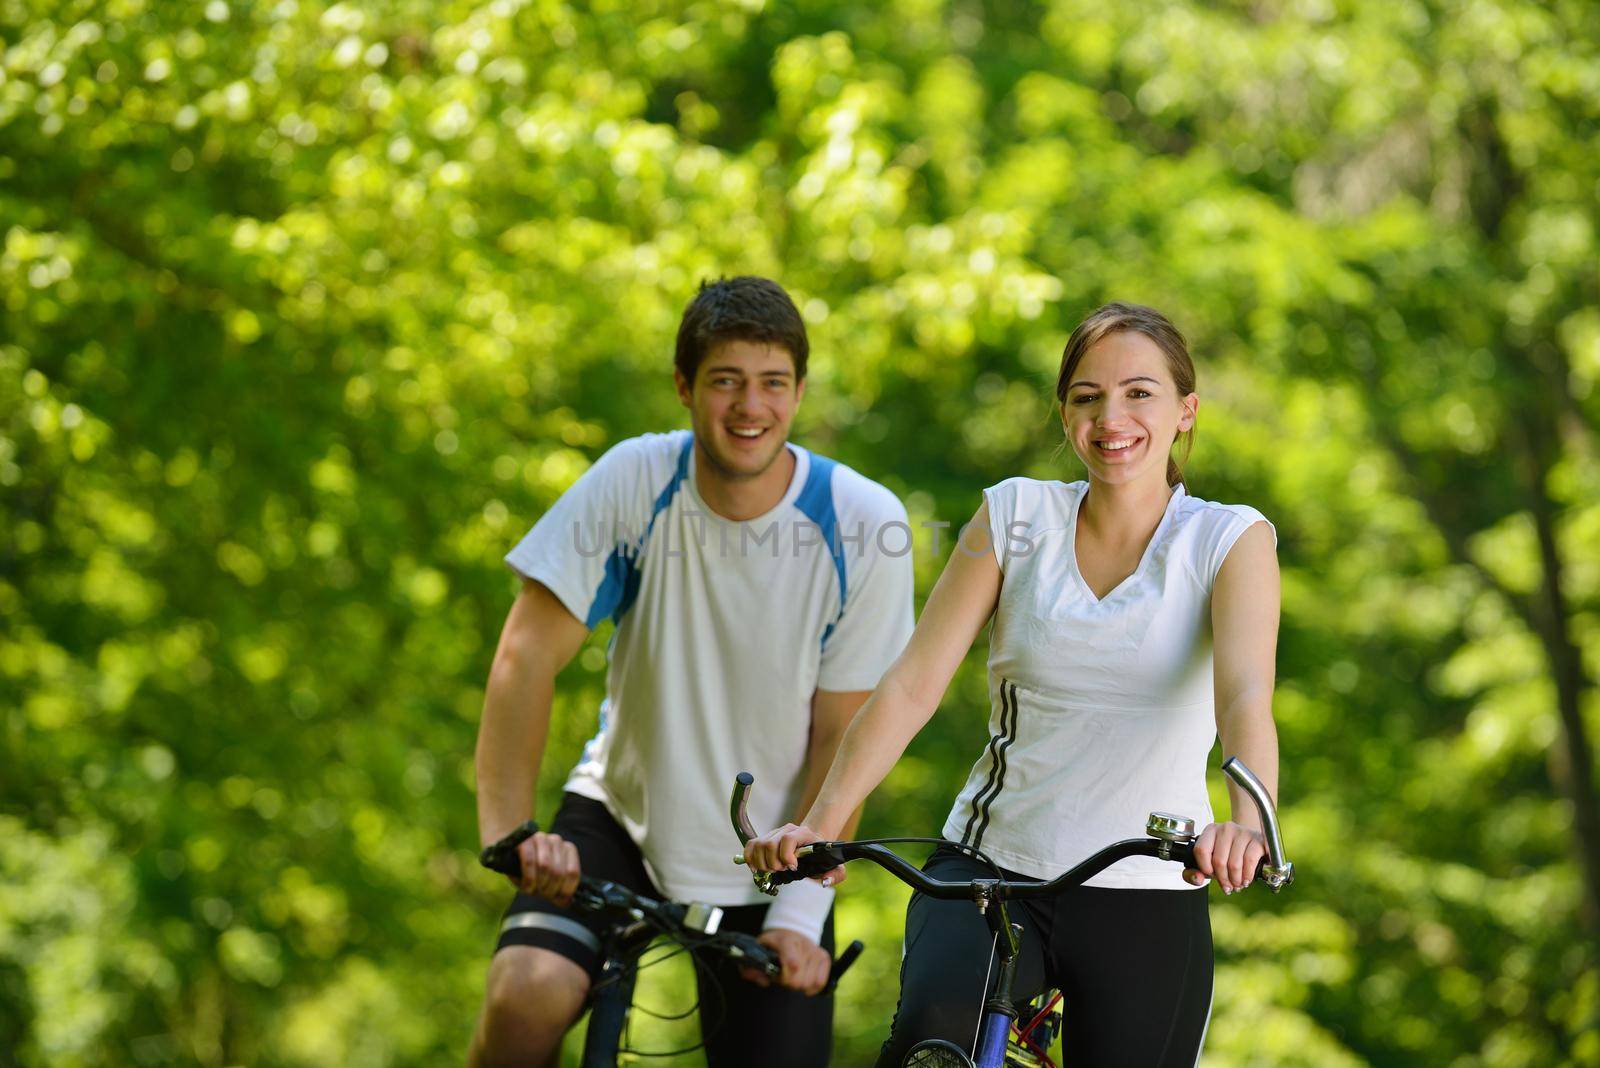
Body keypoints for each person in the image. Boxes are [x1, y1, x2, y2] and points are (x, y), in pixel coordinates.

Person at [742, 302, 1282, 1066]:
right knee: (933, 1040)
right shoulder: (1016, 514)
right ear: (1065, 414)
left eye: (1139, 393)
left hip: (1151, 882)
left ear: (1186, 410)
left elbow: (1244, 698)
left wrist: (1248, 825)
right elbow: (910, 686)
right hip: (991, 872)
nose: (1110, 417)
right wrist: (821, 824)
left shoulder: (1228, 539)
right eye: (1087, 396)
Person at [468, 276, 916, 1068]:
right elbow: (526, 652)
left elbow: (844, 737)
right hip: (624, 818)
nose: (751, 407)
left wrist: (800, 913)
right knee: (522, 993)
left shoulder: (863, 522)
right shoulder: (635, 481)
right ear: (684, 387)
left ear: (800, 392)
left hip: (777, 851)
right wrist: (511, 833)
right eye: (726, 381)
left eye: (773, 383)